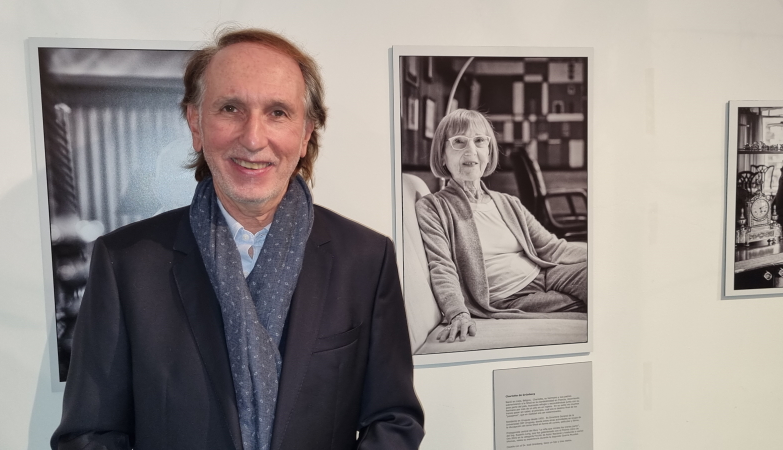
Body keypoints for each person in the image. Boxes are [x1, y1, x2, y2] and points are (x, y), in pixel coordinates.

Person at [51, 28, 424, 450]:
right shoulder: (126, 263)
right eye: (231, 108)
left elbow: (394, 420)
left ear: (305, 133)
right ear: (196, 123)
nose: (252, 138)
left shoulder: (366, 259)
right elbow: (89, 434)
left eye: (278, 112)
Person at [416, 109, 587, 344]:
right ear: (442, 155)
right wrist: (458, 312)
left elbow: (553, 249)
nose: (471, 150)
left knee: (604, 273)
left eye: (479, 141)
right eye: (459, 142)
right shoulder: (433, 207)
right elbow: (441, 266)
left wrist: (602, 253)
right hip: (509, 295)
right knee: (598, 300)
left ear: (489, 150)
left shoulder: (507, 202)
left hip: (546, 273)